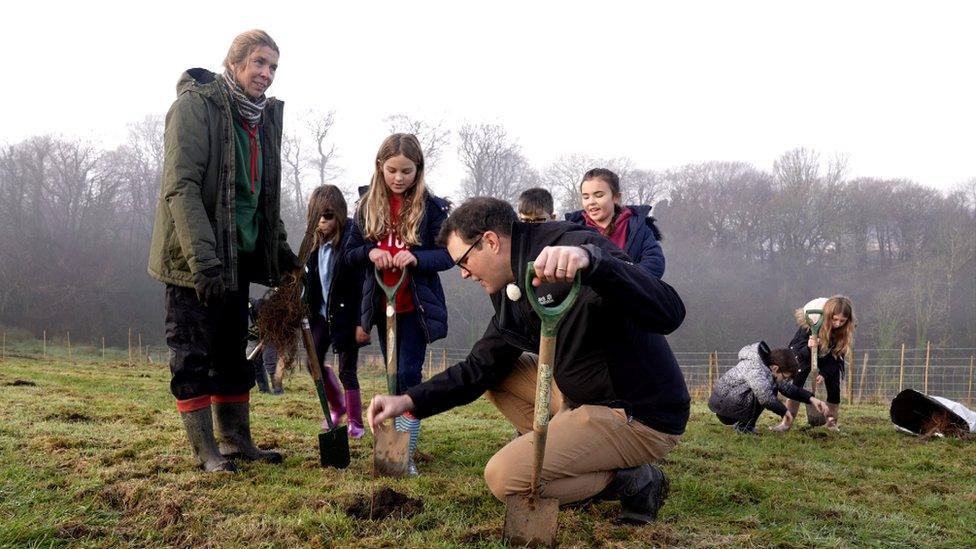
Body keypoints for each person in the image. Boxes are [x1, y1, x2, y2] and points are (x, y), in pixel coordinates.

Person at [367, 197, 689, 524]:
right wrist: (408, 400)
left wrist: (595, 263)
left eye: (463, 262)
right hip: (580, 398)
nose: (463, 275)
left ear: (490, 241)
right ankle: (571, 459)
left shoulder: (573, 247)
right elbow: (481, 366)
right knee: (499, 378)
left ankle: (633, 479)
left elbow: (669, 312)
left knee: (503, 478)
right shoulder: (509, 285)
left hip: (636, 412)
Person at [148, 30, 300, 472]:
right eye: (259, 63)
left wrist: (281, 251)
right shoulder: (196, 107)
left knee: (232, 355)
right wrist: (205, 262)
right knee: (192, 354)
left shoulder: (262, 117)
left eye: (273, 67)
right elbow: (182, 188)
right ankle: (205, 451)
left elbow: (262, 195)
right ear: (234, 63)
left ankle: (235, 441)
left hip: (236, 261)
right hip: (194, 264)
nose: (266, 74)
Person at [347, 133, 453, 474]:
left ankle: (403, 454)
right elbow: (348, 255)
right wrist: (370, 252)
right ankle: (393, 449)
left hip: (416, 308)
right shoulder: (365, 208)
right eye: (392, 170)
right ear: (380, 167)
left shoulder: (432, 209)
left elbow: (449, 254)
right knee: (392, 377)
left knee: (409, 374)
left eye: (406, 171)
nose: (398, 178)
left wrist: (416, 259)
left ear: (418, 170)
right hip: (381, 304)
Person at [304, 184, 370, 439]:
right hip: (320, 316)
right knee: (313, 363)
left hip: (346, 316)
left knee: (347, 370)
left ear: (340, 214)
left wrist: (362, 323)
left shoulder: (353, 241)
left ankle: (355, 422)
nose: (322, 222)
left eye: (328, 216)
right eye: (317, 216)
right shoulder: (311, 244)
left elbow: (364, 285)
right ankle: (337, 406)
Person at [771, 296, 857, 432]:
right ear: (828, 315)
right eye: (834, 319)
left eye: (842, 321)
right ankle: (786, 423)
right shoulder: (810, 324)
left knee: (834, 388)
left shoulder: (844, 331)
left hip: (829, 359)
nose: (838, 323)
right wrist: (809, 347)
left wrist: (824, 373)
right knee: (796, 385)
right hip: (805, 357)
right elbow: (795, 352)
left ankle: (832, 424)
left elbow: (837, 356)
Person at [708, 341, 830, 434]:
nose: (786, 380)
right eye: (786, 377)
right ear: (776, 368)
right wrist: (786, 413)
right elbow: (765, 397)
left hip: (730, 402)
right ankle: (744, 427)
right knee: (767, 392)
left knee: (771, 388)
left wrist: (812, 399)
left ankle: (746, 426)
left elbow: (787, 389)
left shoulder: (768, 368)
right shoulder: (755, 368)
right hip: (723, 406)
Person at [564, 168, 665, 278]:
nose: (591, 202)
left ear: (616, 197)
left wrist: (623, 281)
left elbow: (655, 263)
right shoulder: (573, 229)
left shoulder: (638, 226)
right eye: (586, 197)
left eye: (599, 195)